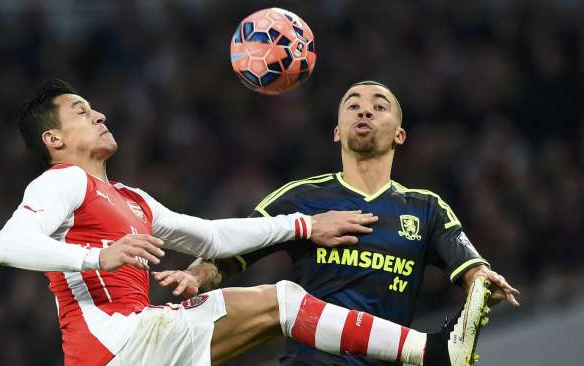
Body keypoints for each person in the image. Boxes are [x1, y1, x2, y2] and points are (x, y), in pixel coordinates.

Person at [0, 79, 490, 366]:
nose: (98, 114)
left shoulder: (129, 198)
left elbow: (210, 236)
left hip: (138, 347)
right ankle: (435, 353)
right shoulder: (62, 183)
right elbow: (9, 244)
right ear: (54, 140)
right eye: (81, 112)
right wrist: (95, 256)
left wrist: (303, 227)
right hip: (114, 346)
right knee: (282, 301)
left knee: (281, 306)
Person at [170, 80, 520, 365]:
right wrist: (196, 275)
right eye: (353, 105)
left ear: (400, 135)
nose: (365, 109)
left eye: (379, 106)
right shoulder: (300, 198)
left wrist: (482, 281)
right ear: (337, 132)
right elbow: (233, 254)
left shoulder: (427, 209)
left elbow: (473, 271)